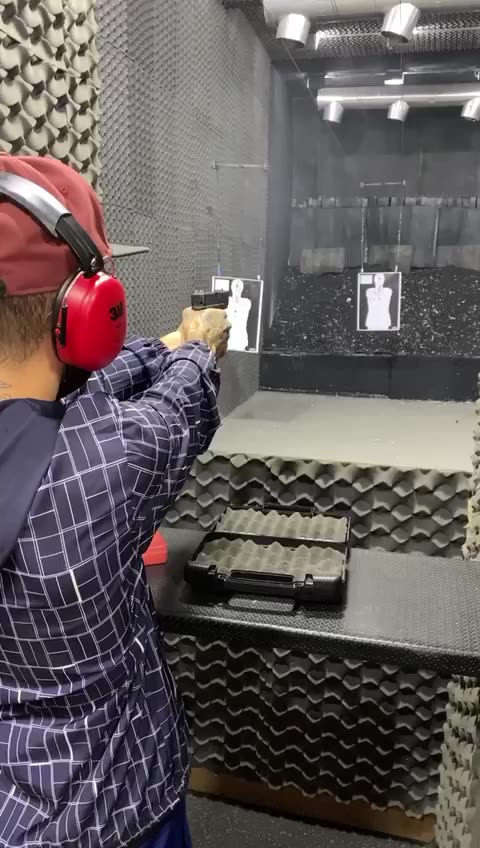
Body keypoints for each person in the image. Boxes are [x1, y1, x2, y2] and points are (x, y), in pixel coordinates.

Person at [0, 153, 229, 848]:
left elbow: (77, 392)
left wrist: (163, 345)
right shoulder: (105, 465)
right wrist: (198, 347)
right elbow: (178, 410)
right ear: (84, 312)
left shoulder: (64, 440)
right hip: (113, 812)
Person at [227, 277, 251, 351]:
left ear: (242, 288)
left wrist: (236, 295)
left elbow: (238, 304)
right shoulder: (227, 301)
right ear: (231, 287)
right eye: (235, 285)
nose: (237, 287)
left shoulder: (246, 302)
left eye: (239, 285)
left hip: (240, 337)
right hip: (228, 338)